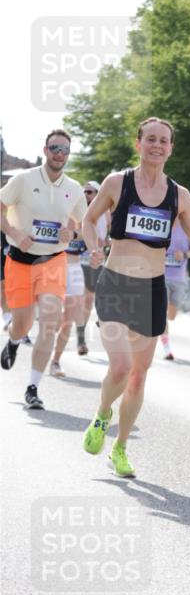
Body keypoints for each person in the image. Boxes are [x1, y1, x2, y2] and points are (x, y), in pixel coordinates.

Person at [81, 117, 190, 477]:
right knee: (120, 367)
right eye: (150, 139)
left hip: (152, 289)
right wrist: (93, 247)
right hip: (116, 284)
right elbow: (88, 221)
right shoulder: (116, 183)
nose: (157, 145)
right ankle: (102, 413)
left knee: (139, 375)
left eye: (164, 141)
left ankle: (120, 448)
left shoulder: (179, 195)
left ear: (171, 148)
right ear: (138, 143)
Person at [0, 130, 87, 408]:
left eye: (64, 149)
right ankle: (13, 340)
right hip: (20, 260)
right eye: (54, 148)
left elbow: (81, 225)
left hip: (52, 261)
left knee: (50, 321)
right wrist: (14, 231)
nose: (59, 153)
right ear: (46, 150)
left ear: (68, 154)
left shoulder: (73, 188)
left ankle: (33, 388)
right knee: (23, 323)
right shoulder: (23, 180)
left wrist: (70, 234)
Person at [49, 227, 87, 377]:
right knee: (55, 320)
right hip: (55, 268)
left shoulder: (84, 214)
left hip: (75, 270)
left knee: (67, 322)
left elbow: (93, 238)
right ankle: (44, 346)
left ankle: (55, 361)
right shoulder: (56, 209)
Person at [76, 181, 110, 355]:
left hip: (98, 261)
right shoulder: (80, 210)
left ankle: (102, 318)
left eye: (90, 192)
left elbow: (109, 233)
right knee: (84, 299)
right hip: (81, 259)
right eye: (84, 192)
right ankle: (81, 340)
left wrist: (107, 241)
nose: (86, 195)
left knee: (92, 300)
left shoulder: (106, 212)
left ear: (98, 193)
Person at [160, 220, 190, 360]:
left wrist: (185, 255)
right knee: (162, 312)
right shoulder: (162, 225)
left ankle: (161, 318)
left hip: (179, 279)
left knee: (172, 315)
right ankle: (166, 348)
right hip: (161, 276)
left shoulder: (187, 227)